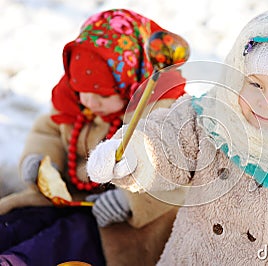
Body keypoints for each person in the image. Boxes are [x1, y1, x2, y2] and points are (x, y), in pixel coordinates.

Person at [87, 6, 268, 265]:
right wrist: (133, 154)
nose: (265, 103)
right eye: (255, 85)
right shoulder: (215, 117)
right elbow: (168, 141)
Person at [0, 9, 186, 266]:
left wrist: (131, 201)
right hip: (70, 196)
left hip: (123, 224)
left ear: (129, 81)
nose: (89, 101)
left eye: (102, 94)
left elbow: (178, 175)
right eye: (82, 90)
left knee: (68, 238)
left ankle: (18, 260)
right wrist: (40, 161)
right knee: (19, 220)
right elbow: (49, 130)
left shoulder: (163, 116)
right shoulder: (75, 104)